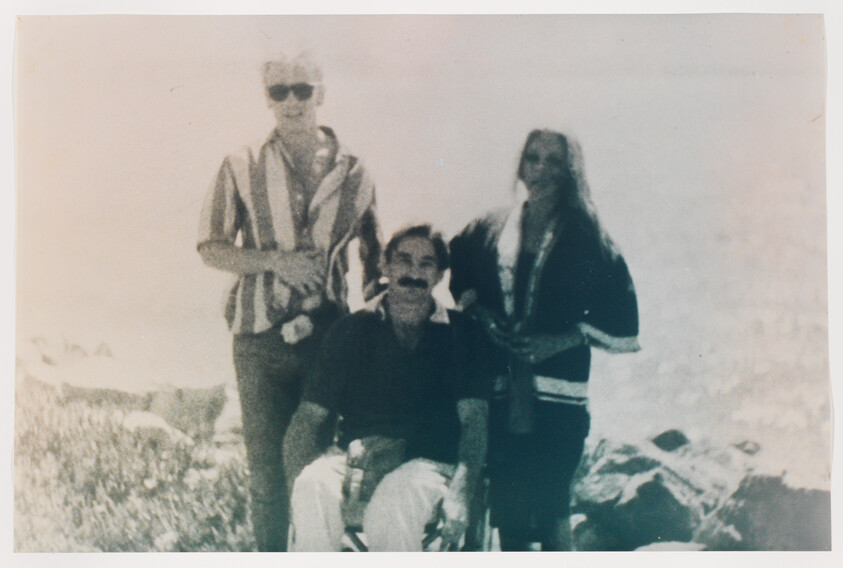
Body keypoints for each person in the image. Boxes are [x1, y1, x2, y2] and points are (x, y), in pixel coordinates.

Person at [196, 51, 382, 551]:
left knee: (313, 473)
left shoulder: (357, 174)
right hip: (257, 342)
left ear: (321, 93)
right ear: (267, 99)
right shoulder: (241, 164)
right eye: (279, 91)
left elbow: (374, 263)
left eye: (302, 89)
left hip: (328, 340)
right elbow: (211, 247)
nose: (292, 101)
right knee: (265, 480)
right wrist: (276, 262)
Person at [449, 129, 640, 551]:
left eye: (555, 161)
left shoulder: (588, 238)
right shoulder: (491, 225)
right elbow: (458, 267)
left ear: (572, 170)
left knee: (553, 513)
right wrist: (480, 314)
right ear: (520, 164)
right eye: (533, 158)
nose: (541, 169)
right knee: (510, 519)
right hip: (499, 391)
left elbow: (623, 319)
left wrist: (563, 340)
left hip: (559, 400)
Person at [283, 224, 489, 552]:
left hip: (430, 463)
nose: (414, 273)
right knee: (312, 486)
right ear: (385, 267)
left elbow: (474, 421)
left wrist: (462, 492)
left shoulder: (463, 334)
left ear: (439, 276)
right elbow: (309, 417)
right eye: (404, 261)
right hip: (357, 458)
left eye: (426, 264)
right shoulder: (349, 331)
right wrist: (296, 484)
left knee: (391, 505)